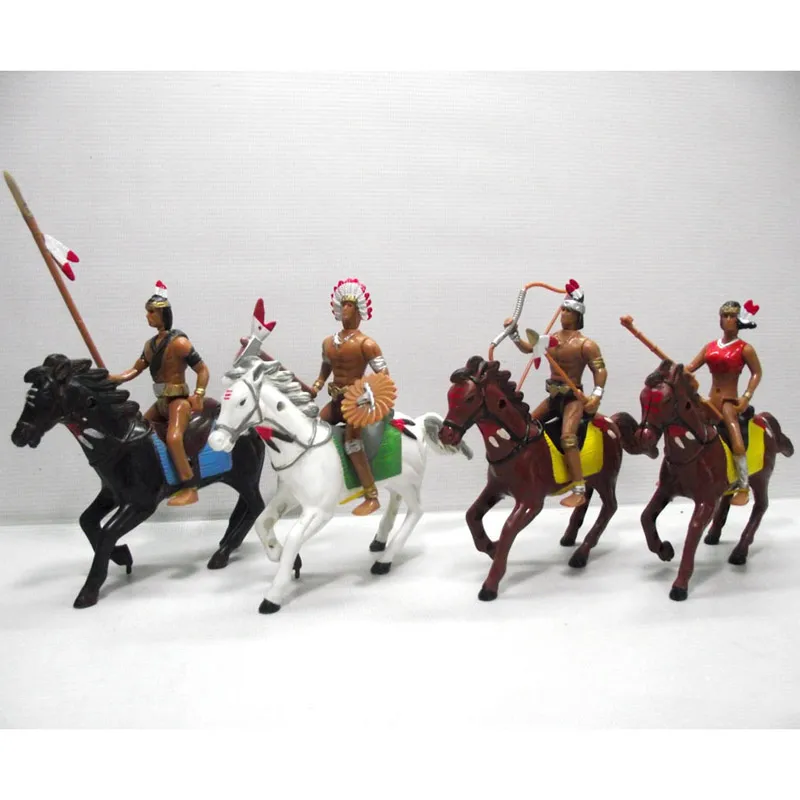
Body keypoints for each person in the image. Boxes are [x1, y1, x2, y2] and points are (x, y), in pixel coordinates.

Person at [505, 280, 607, 507]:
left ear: (577, 315)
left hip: (573, 400)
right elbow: (528, 349)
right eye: (562, 309)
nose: (563, 314)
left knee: (568, 437)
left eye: (568, 311)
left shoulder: (586, 345)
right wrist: (514, 334)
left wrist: (596, 395)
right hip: (554, 398)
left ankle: (579, 488)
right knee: (526, 427)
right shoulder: (551, 339)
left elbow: (600, 370)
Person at [109, 281, 209, 506]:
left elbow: (202, 370)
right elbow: (135, 369)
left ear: (163, 314)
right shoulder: (149, 345)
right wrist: (114, 378)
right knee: (137, 432)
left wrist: (199, 394)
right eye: (147, 311)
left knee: (173, 438)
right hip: (161, 402)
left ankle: (189, 486)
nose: (148, 316)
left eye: (152, 312)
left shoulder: (180, 343)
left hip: (178, 401)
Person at [309, 278, 388, 516]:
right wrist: (317, 385)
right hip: (336, 401)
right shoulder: (328, 343)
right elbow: (326, 368)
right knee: (314, 430)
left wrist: (368, 394)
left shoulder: (367, 344)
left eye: (350, 305)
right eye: (343, 304)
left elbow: (383, 376)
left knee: (352, 443)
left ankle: (371, 495)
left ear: (359, 310)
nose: (345, 309)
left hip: (355, 403)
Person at [685, 299, 762, 505]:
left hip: (729, 401)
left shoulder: (744, 349)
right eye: (724, 316)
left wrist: (746, 397)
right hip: (711, 399)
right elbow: (690, 367)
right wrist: (677, 371)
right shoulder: (710, 347)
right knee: (687, 429)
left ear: (739, 320)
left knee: (736, 439)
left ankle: (743, 486)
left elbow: (756, 373)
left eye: (732, 316)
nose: (728, 320)